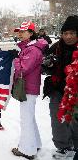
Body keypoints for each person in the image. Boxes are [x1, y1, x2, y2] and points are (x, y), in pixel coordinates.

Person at [42, 15, 78, 159]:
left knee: (75, 120)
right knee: (57, 120)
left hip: (75, 91)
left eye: (72, 33)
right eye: (65, 33)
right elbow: (45, 68)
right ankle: (63, 147)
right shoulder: (56, 47)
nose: (68, 37)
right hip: (58, 89)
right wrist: (48, 65)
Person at [11, 21, 48, 159]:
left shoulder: (32, 50)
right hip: (28, 87)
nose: (19, 34)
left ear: (31, 33)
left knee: (26, 119)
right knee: (29, 118)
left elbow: (22, 69)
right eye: (19, 31)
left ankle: (27, 150)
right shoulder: (29, 48)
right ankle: (35, 143)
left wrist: (15, 58)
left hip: (28, 88)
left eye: (23, 31)